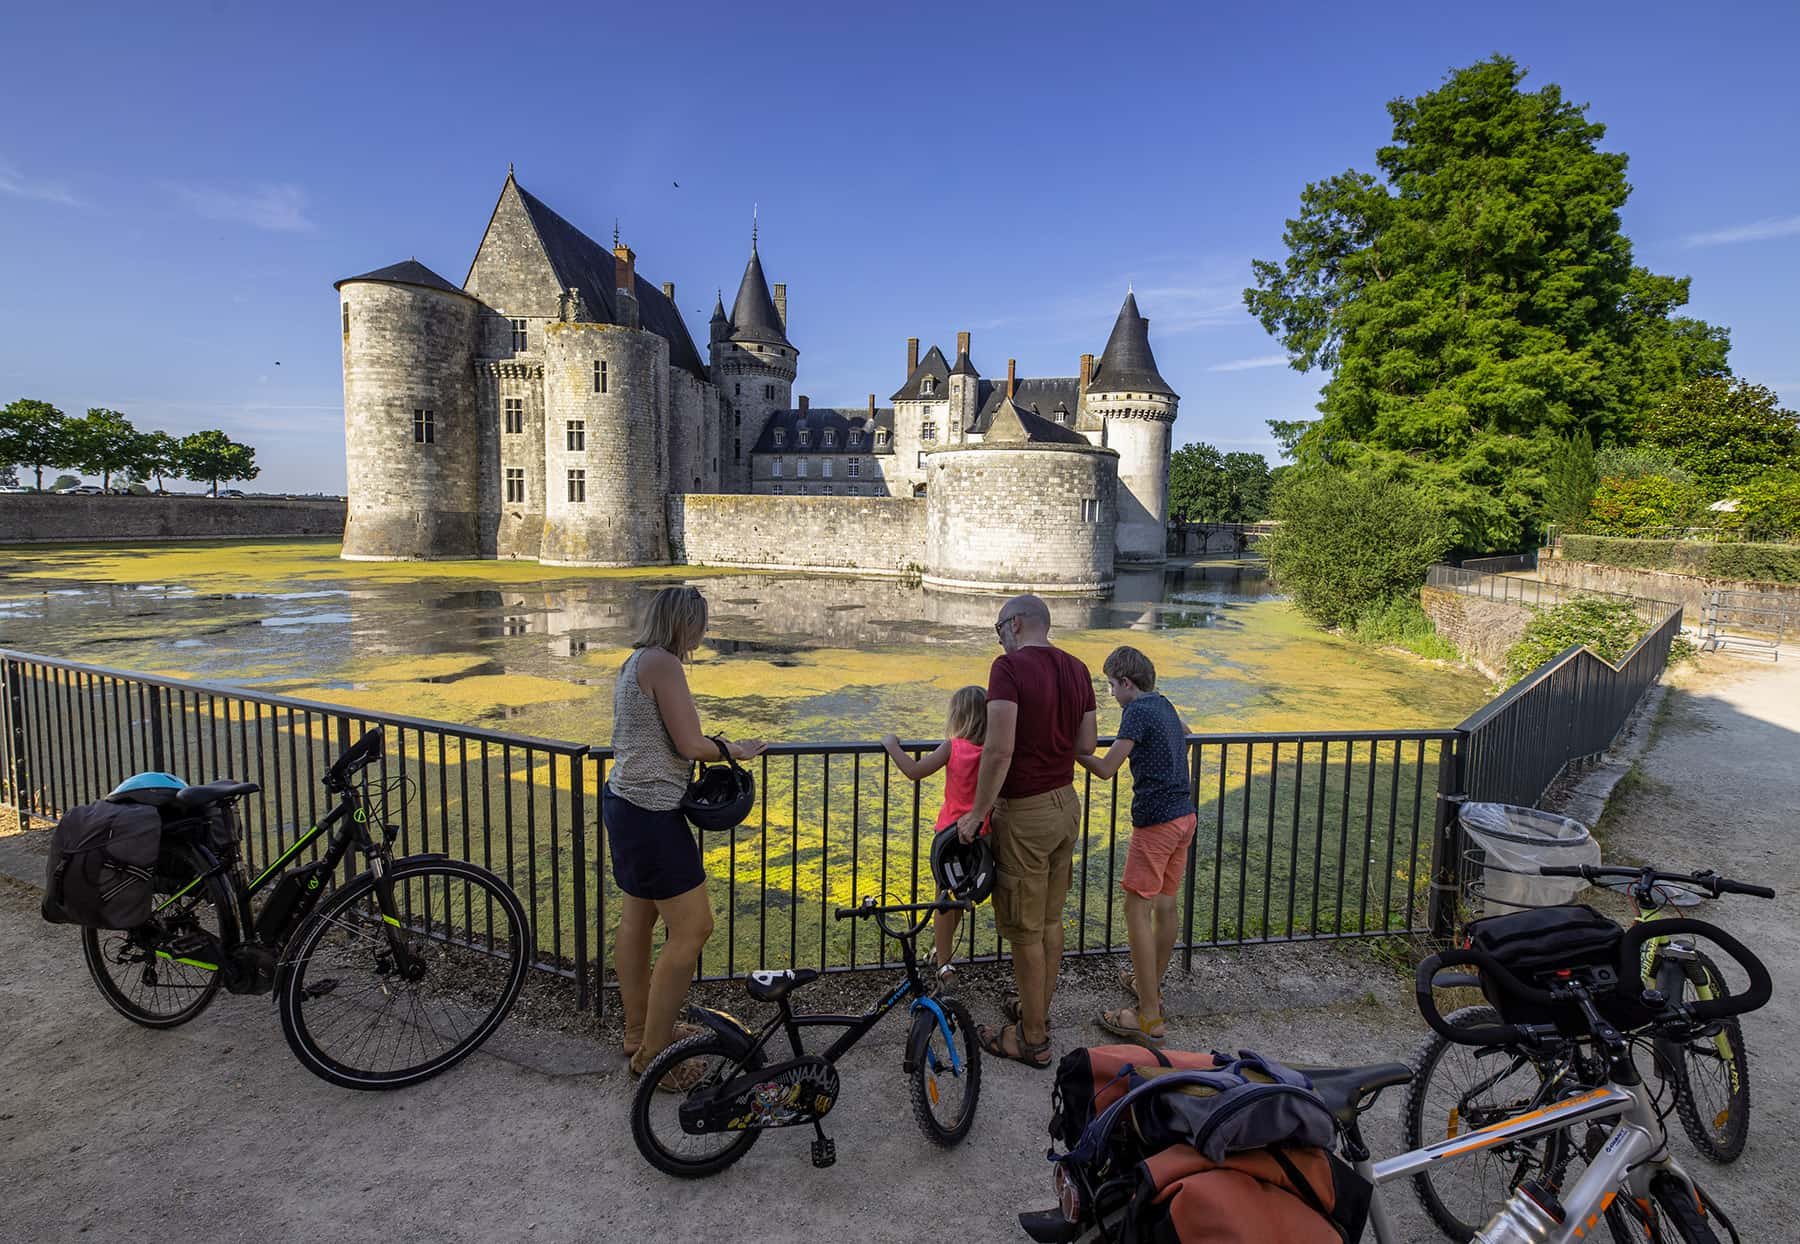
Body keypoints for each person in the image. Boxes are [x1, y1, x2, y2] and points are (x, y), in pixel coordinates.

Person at [605, 585, 765, 1083]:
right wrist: (736, 748)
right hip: (652, 813)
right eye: (700, 623)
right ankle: (654, 1059)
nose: (704, 632)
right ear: (683, 624)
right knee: (694, 928)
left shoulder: (635, 662)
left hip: (625, 803)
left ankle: (640, 1030)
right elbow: (691, 744)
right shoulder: (665, 664)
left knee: (639, 921)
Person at [955, 594, 1097, 1069]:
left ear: (1014, 625)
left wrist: (976, 812)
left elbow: (998, 749)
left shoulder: (1008, 669)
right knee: (1051, 922)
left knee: (1024, 931)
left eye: (998, 629)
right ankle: (1037, 1011)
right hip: (1066, 805)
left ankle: (1032, 1037)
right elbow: (1086, 743)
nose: (998, 638)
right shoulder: (1078, 668)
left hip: (1026, 813)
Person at [1077, 645, 1197, 1045]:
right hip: (1184, 816)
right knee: (1165, 904)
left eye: (1111, 685)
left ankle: (1147, 1015)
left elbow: (1108, 768)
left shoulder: (1137, 712)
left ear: (1126, 682)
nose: (1110, 693)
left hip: (1157, 822)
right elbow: (1187, 736)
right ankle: (1149, 986)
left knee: (1135, 908)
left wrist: (1074, 754)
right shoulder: (1162, 704)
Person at [880, 685, 990, 989]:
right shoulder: (994, 752)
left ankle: (943, 965)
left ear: (959, 715)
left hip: (950, 839)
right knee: (964, 895)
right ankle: (941, 955)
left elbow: (914, 771)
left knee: (944, 895)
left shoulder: (953, 747)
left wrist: (891, 746)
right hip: (983, 836)